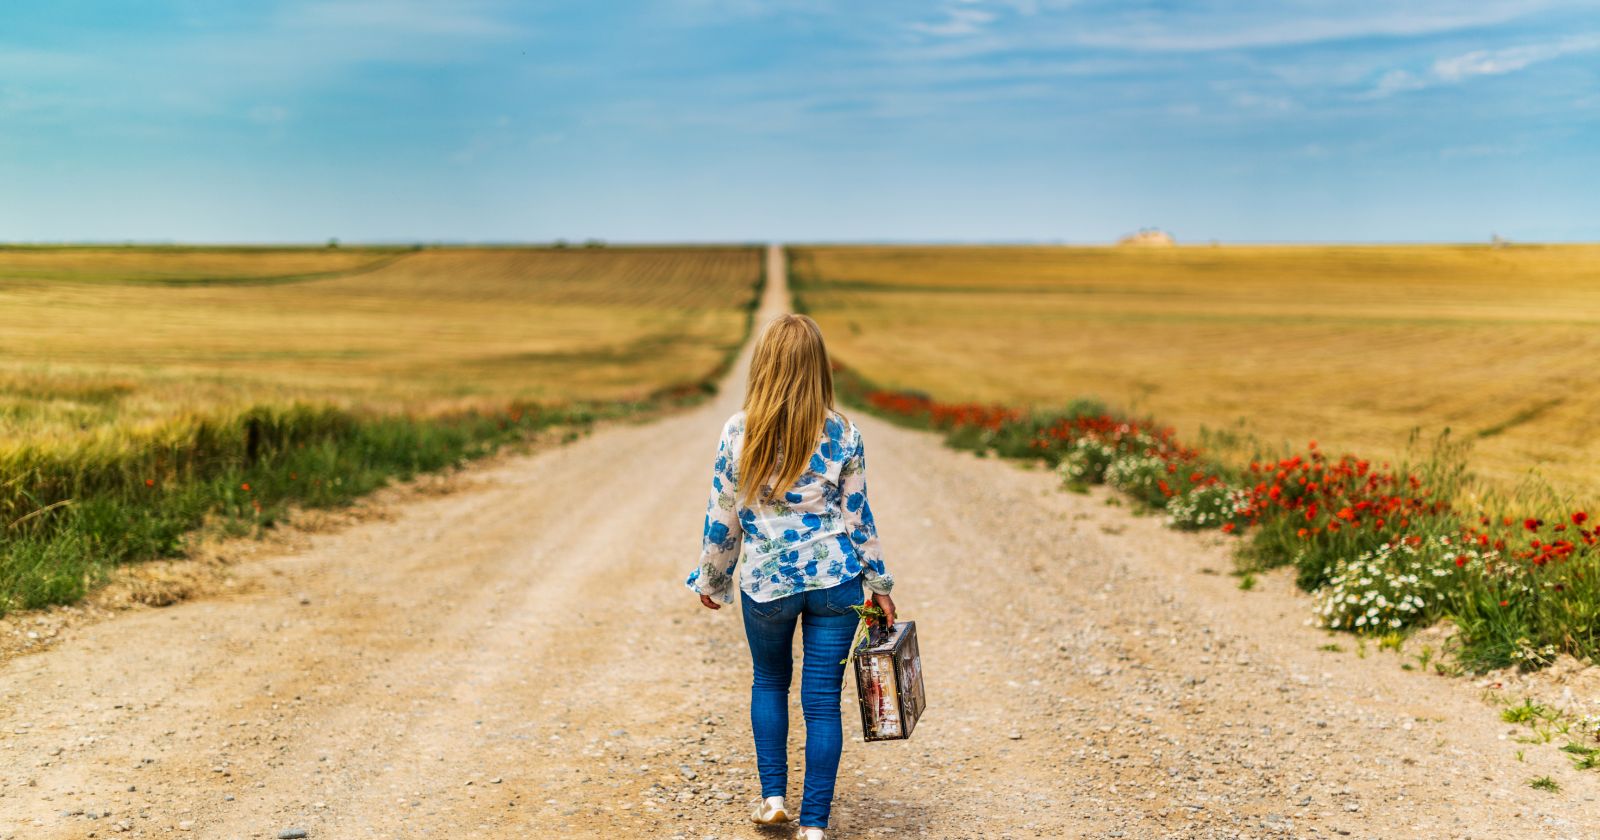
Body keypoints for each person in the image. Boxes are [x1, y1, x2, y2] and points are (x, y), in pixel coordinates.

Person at [685, 313, 896, 840]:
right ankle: (815, 825)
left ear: (765, 364)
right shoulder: (844, 431)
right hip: (835, 582)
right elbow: (858, 517)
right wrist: (880, 585)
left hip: (767, 584)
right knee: (822, 702)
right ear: (818, 366)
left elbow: (723, 515)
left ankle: (774, 800)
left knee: (770, 681)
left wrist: (713, 578)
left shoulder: (739, 430)